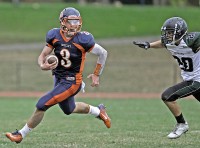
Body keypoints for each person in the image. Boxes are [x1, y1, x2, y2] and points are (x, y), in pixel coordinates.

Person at [5, 7, 111, 143]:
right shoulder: (54, 35)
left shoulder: (83, 39)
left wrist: (97, 74)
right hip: (59, 78)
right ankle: (98, 111)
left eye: (76, 21)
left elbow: (103, 53)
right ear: (62, 22)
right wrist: (42, 65)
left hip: (72, 81)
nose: (74, 25)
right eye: (70, 21)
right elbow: (43, 55)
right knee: (69, 109)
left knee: (42, 104)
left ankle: (20, 134)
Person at [133, 17, 200, 139]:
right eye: (166, 32)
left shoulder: (191, 40)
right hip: (191, 80)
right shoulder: (171, 43)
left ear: (179, 32)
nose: (167, 35)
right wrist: (149, 45)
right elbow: (163, 44)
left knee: (167, 96)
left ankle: (182, 124)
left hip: (197, 81)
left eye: (170, 32)